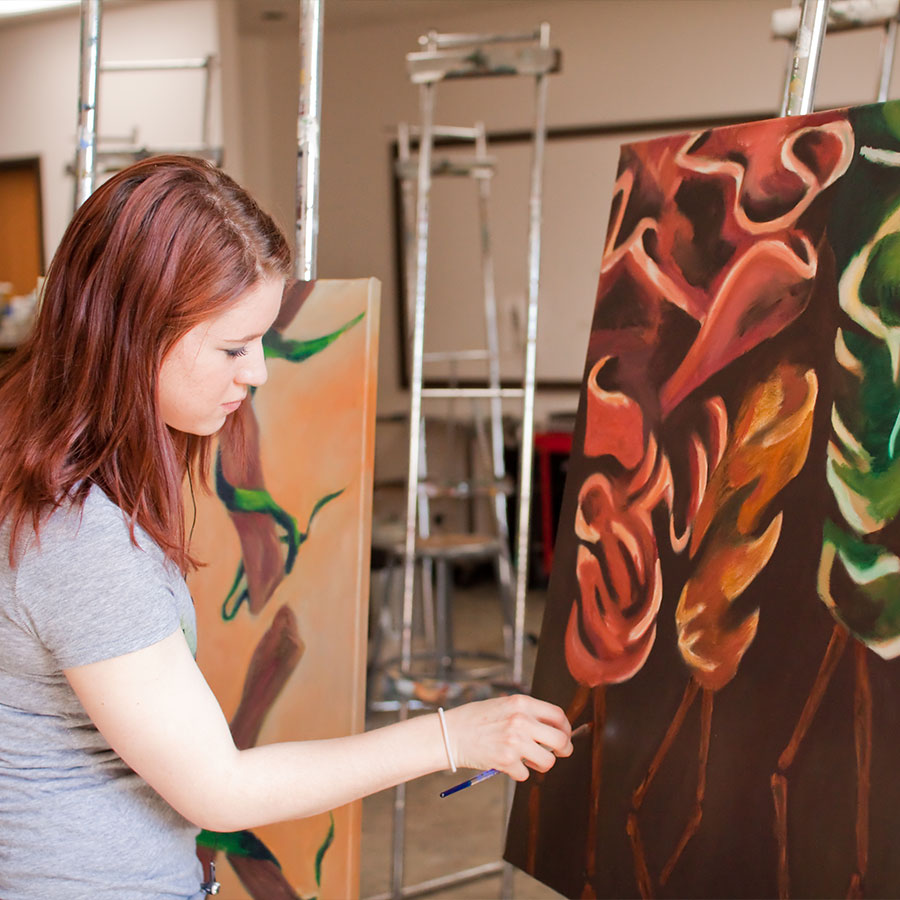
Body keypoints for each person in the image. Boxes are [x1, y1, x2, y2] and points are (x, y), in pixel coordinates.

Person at [0, 155, 572, 900]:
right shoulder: (82, 538)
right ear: (133, 334)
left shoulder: (35, 463)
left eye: (263, 342)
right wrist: (450, 737)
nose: (258, 372)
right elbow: (220, 791)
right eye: (233, 347)